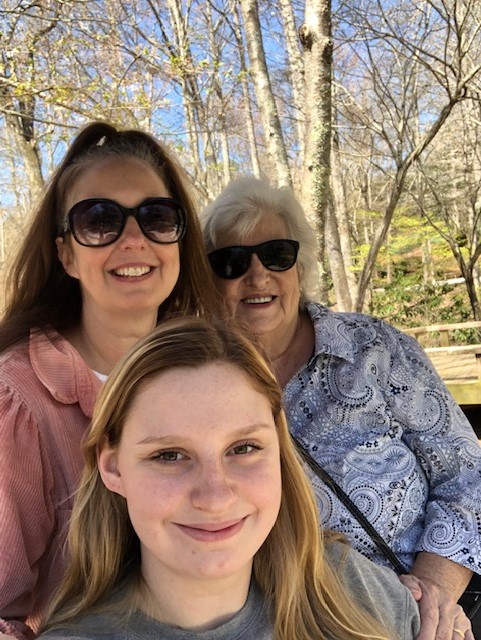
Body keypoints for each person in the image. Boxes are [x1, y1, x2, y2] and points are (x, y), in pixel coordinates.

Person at [201, 176, 481, 640]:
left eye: (276, 255)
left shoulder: (376, 349)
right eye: (231, 262)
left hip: (440, 609)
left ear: (300, 265)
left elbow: (468, 475)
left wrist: (435, 593)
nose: (257, 276)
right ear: (209, 280)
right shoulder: (199, 384)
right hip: (307, 622)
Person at [38, 316, 423, 640]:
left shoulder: (352, 590)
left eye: (243, 448)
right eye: (169, 455)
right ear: (113, 467)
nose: (215, 496)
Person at [0, 121, 223, 640]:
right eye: (99, 220)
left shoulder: (214, 369)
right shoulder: (17, 401)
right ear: (66, 254)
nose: (132, 240)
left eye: (156, 217)